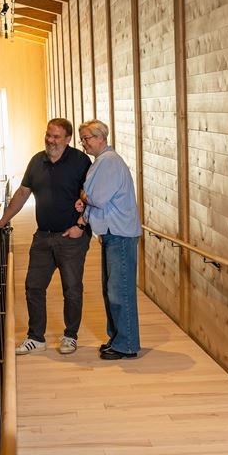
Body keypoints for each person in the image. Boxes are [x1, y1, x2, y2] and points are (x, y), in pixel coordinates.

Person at [0, 118, 91, 355]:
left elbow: (91, 195)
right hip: (42, 237)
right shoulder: (37, 161)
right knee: (33, 286)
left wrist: (81, 225)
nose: (50, 140)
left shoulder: (80, 161)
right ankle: (36, 337)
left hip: (72, 237)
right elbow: (23, 193)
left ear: (67, 139)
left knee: (72, 289)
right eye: (48, 135)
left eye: (56, 137)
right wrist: (4, 220)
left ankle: (70, 335)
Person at [76, 120, 142, 360]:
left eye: (87, 138)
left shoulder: (109, 162)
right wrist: (86, 203)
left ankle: (126, 345)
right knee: (111, 289)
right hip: (112, 232)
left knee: (119, 290)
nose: (84, 143)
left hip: (120, 234)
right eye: (82, 139)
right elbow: (96, 198)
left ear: (101, 137)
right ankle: (117, 338)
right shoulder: (103, 161)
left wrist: (84, 195)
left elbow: (99, 197)